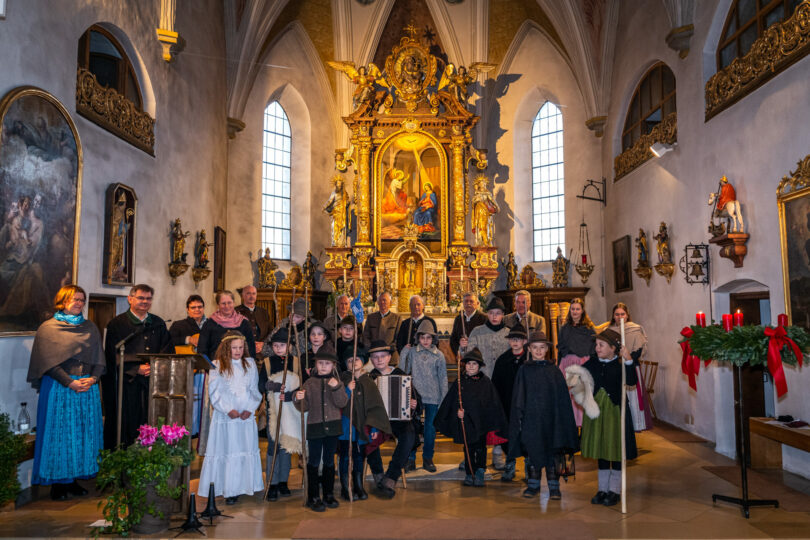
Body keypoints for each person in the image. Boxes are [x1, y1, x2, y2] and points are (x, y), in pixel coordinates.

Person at [27, 285, 104, 500]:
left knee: (82, 435)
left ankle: (73, 479)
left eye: (82, 299)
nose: (78, 303)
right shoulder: (48, 328)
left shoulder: (90, 327)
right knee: (59, 435)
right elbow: (47, 363)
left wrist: (94, 378)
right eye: (74, 299)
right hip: (61, 387)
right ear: (62, 301)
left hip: (87, 389)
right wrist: (69, 382)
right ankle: (57, 483)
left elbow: (99, 358)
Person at [508, 331, 579, 500]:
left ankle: (554, 487)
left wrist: (561, 420)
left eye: (542, 347)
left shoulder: (553, 371)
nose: (539, 351)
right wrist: (520, 417)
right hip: (532, 419)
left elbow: (562, 398)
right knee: (533, 451)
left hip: (552, 419)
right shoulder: (524, 371)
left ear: (547, 349)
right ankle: (533, 485)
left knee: (553, 452)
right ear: (529, 349)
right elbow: (519, 396)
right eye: (535, 348)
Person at [197, 331, 263, 505]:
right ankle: (228, 489)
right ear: (226, 348)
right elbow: (214, 391)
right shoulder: (217, 365)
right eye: (234, 348)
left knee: (243, 449)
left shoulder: (250, 364)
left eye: (241, 347)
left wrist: (250, 408)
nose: (238, 351)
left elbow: (255, 389)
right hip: (226, 418)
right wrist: (228, 409)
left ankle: (244, 485)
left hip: (245, 418)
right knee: (228, 451)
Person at [102, 284, 171, 449]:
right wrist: (135, 369)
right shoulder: (117, 324)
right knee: (127, 422)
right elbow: (111, 355)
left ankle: (150, 454)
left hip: (152, 383)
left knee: (151, 419)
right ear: (130, 299)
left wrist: (155, 367)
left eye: (148, 298)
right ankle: (125, 456)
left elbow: (167, 350)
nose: (145, 302)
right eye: (141, 298)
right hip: (126, 385)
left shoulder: (158, 323)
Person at [580, 329, 638, 507]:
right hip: (597, 411)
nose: (597, 348)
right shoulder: (592, 363)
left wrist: (628, 360)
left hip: (615, 412)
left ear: (613, 348)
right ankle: (602, 488)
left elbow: (631, 381)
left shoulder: (619, 365)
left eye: (601, 345)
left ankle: (614, 490)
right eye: (596, 345)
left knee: (615, 449)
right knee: (602, 449)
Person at [435, 348, 506, 487]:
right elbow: (452, 400)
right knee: (468, 447)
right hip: (466, 422)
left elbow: (491, 402)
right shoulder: (460, 381)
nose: (471, 366)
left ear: (479, 366)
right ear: (464, 365)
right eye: (468, 364)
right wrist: (458, 411)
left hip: (480, 422)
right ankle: (469, 472)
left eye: (474, 364)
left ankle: (479, 471)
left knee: (480, 447)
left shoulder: (485, 382)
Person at [294, 350, 348, 512]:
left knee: (330, 461)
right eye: (320, 363)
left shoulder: (337, 382)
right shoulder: (309, 383)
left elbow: (342, 402)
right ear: (315, 365)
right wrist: (298, 398)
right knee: (314, 461)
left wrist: (337, 388)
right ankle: (313, 496)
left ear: (333, 366)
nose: (323, 366)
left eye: (327, 363)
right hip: (315, 427)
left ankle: (329, 494)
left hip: (332, 427)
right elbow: (304, 408)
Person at [366, 340, 419, 498]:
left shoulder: (400, 374)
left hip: (398, 419)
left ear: (389, 357)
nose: (379, 360)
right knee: (368, 436)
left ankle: (391, 476)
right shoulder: (369, 378)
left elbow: (413, 396)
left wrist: (413, 403)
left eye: (383, 356)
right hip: (377, 420)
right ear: (371, 360)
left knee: (409, 435)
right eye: (375, 357)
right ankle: (378, 474)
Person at [338, 346, 392, 501]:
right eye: (349, 360)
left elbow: (375, 405)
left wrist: (374, 426)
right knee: (345, 457)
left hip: (362, 427)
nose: (353, 363)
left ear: (362, 361)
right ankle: (345, 487)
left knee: (359, 457)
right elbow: (339, 401)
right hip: (345, 426)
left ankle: (358, 485)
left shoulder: (368, 381)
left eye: (355, 359)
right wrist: (348, 390)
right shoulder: (343, 379)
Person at [398, 320, 448, 473]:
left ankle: (428, 458)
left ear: (434, 339)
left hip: (433, 396)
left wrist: (443, 399)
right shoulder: (412, 352)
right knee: (413, 429)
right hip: (415, 397)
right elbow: (401, 370)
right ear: (417, 338)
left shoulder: (439, 355)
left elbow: (443, 377)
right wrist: (404, 352)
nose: (425, 341)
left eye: (429, 337)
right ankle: (411, 459)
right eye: (422, 337)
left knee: (430, 429)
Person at [261, 328, 303, 502]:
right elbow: (261, 384)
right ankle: (272, 482)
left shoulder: (295, 362)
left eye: (282, 345)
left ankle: (283, 481)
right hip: (274, 411)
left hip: (290, 410)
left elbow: (302, 385)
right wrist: (273, 387)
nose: (279, 348)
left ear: (290, 347)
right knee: (274, 445)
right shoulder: (267, 362)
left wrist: (292, 394)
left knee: (286, 444)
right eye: (276, 345)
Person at [606, 303, 653, 432]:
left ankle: (633, 427)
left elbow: (639, 350)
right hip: (615, 369)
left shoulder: (635, 329)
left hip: (631, 367)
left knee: (632, 400)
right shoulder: (609, 331)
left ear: (627, 315)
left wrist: (627, 358)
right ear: (613, 316)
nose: (620, 317)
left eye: (622, 314)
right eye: (617, 314)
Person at [491, 326, 528, 480]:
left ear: (524, 341)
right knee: (508, 435)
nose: (515, 342)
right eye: (512, 339)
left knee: (526, 435)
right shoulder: (502, 360)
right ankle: (510, 465)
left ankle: (529, 467)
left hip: (526, 405)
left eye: (518, 339)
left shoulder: (529, 359)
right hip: (507, 403)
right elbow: (496, 384)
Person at [169, 294, 208, 437]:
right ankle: (189, 430)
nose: (197, 310)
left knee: (204, 400)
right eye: (193, 307)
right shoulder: (179, 325)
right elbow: (169, 341)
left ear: (204, 308)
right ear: (187, 310)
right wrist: (188, 339)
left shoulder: (211, 324)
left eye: (200, 307)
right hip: (187, 369)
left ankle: (202, 430)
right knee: (190, 400)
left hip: (205, 368)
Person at [557, 298, 596, 427]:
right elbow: (561, 348)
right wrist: (559, 366)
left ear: (582, 310)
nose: (575, 311)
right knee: (570, 396)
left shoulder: (589, 328)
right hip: (568, 364)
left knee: (582, 394)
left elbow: (593, 349)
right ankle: (571, 425)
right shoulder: (565, 328)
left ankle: (584, 426)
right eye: (572, 309)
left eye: (577, 309)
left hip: (583, 364)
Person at [459, 297, 510, 378]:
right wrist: (462, 347)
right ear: (487, 314)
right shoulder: (477, 331)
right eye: (491, 313)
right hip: (484, 375)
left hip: (504, 376)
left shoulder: (509, 333)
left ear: (503, 314)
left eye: (498, 313)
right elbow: (467, 354)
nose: (494, 316)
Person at [198, 290, 257, 361]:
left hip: (240, 366)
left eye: (229, 303)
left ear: (234, 303)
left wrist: (249, 365)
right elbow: (202, 349)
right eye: (223, 303)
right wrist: (208, 368)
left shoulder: (244, 323)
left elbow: (251, 348)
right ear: (218, 305)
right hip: (216, 367)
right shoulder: (209, 323)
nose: (227, 306)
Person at [235, 285, 272, 357]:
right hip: (243, 351)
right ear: (243, 295)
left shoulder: (263, 312)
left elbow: (270, 331)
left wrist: (262, 344)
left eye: (254, 293)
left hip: (262, 351)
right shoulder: (235, 312)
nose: (251, 296)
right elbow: (234, 333)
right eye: (248, 293)